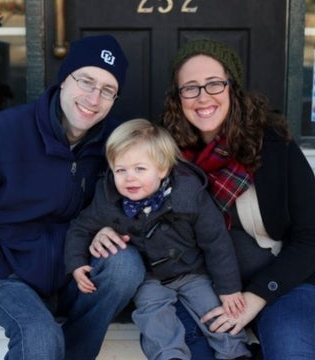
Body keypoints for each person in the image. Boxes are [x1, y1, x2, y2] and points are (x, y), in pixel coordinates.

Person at [92, 39, 315, 359]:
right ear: (177, 97)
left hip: (280, 285)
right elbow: (118, 194)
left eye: (214, 84)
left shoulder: (274, 144)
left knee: (291, 351)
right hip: (192, 285)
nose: (203, 97)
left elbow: (310, 238)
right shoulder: (160, 152)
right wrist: (102, 228)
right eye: (190, 88)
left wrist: (257, 296)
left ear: (232, 88)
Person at [0, 34, 145, 359]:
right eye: (86, 81)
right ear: (64, 78)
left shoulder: (117, 141)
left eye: (107, 90)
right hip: (11, 275)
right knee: (40, 338)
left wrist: (109, 224)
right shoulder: (8, 132)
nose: (93, 98)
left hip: (78, 271)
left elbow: (144, 201)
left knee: (126, 267)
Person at [64, 118, 251, 360]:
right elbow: (81, 228)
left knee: (213, 308)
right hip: (149, 277)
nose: (129, 178)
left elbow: (216, 241)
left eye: (140, 169)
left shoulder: (189, 193)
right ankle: (169, 355)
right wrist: (77, 263)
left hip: (192, 271)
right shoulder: (108, 199)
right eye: (120, 170)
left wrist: (229, 288)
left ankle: (236, 353)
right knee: (153, 316)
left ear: (162, 169)